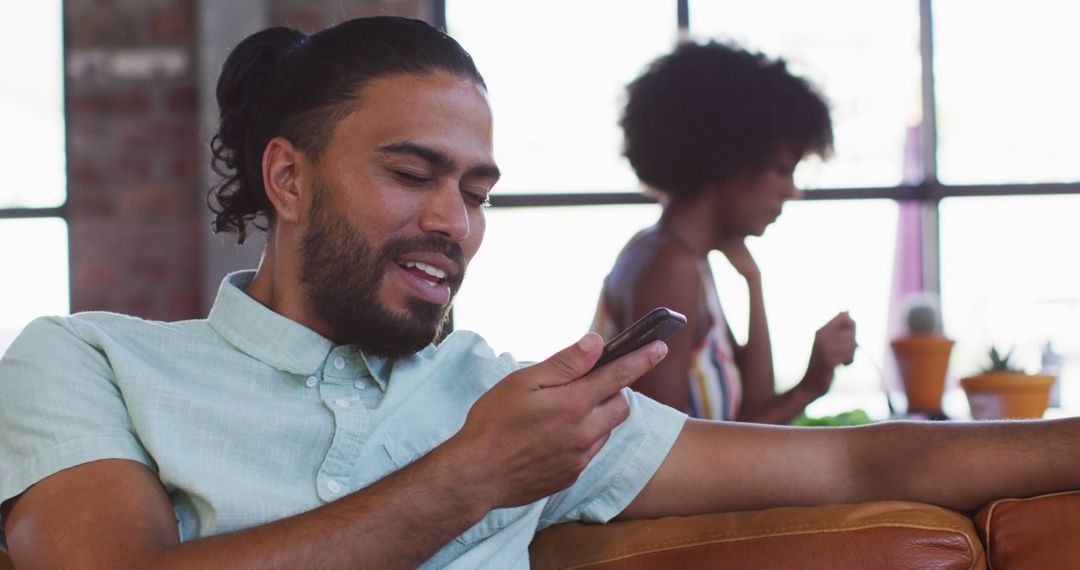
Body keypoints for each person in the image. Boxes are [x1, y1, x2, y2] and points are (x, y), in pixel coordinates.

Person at [2, 16, 1080, 570]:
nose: (452, 223)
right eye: (411, 174)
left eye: (475, 191)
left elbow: (855, 457)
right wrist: (469, 476)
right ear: (289, 178)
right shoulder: (88, 362)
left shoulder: (507, 398)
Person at [593, 41, 857, 423]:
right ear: (731, 160)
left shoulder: (682, 257)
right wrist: (808, 388)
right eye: (783, 170)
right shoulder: (671, 267)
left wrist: (753, 280)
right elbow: (673, 457)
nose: (793, 190)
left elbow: (752, 407)